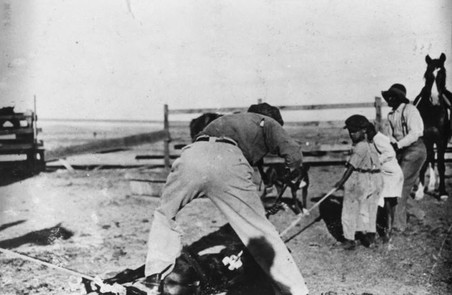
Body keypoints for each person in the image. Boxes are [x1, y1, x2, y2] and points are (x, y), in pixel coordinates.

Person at [131, 103, 309, 295]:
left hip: (192, 155)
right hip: (227, 160)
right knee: (259, 231)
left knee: (164, 215)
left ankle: (154, 278)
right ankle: (296, 291)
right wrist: (293, 171)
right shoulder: (269, 123)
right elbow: (293, 152)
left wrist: (265, 180)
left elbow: (255, 159)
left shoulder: (231, 121)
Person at [381, 83, 426, 233]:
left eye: (391, 96)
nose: (388, 99)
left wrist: (398, 145)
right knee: (392, 182)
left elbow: (415, 133)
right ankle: (418, 213)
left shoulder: (410, 110)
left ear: (399, 98)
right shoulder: (391, 115)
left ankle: (398, 226)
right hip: (401, 151)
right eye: (387, 96)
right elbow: (391, 136)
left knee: (400, 185)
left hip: (415, 150)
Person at [334, 115, 382, 250]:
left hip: (361, 178)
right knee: (370, 209)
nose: (351, 134)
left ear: (364, 130)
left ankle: (349, 239)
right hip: (375, 178)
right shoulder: (372, 144)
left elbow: (352, 166)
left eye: (355, 131)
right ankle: (370, 239)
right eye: (350, 131)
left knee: (349, 207)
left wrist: (341, 181)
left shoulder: (360, 146)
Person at [366, 120, 404, 243]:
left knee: (389, 203)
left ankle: (388, 232)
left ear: (370, 131)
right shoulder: (376, 138)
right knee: (387, 202)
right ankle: (387, 230)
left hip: (391, 174)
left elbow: (390, 152)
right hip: (387, 173)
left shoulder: (378, 139)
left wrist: (376, 162)